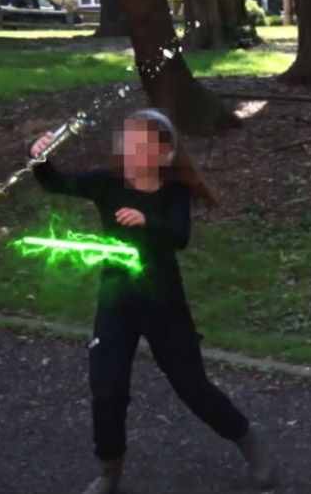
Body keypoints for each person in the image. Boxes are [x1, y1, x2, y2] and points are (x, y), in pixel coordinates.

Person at [28, 109, 276, 494]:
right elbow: (56, 183)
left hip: (164, 306)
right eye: (127, 142)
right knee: (107, 391)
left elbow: (179, 236)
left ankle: (248, 441)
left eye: (141, 144)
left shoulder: (173, 193)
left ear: (163, 153)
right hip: (117, 304)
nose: (131, 150)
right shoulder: (107, 183)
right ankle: (109, 470)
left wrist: (147, 221)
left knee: (193, 388)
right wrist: (41, 158)